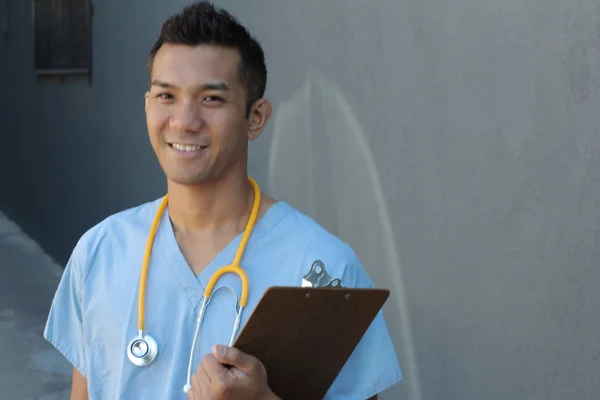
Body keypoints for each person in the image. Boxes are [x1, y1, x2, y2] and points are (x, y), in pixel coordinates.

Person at [43, 1, 402, 399]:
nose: (184, 120)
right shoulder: (100, 253)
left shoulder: (324, 270)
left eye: (211, 99)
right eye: (166, 96)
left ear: (256, 117)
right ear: (147, 105)